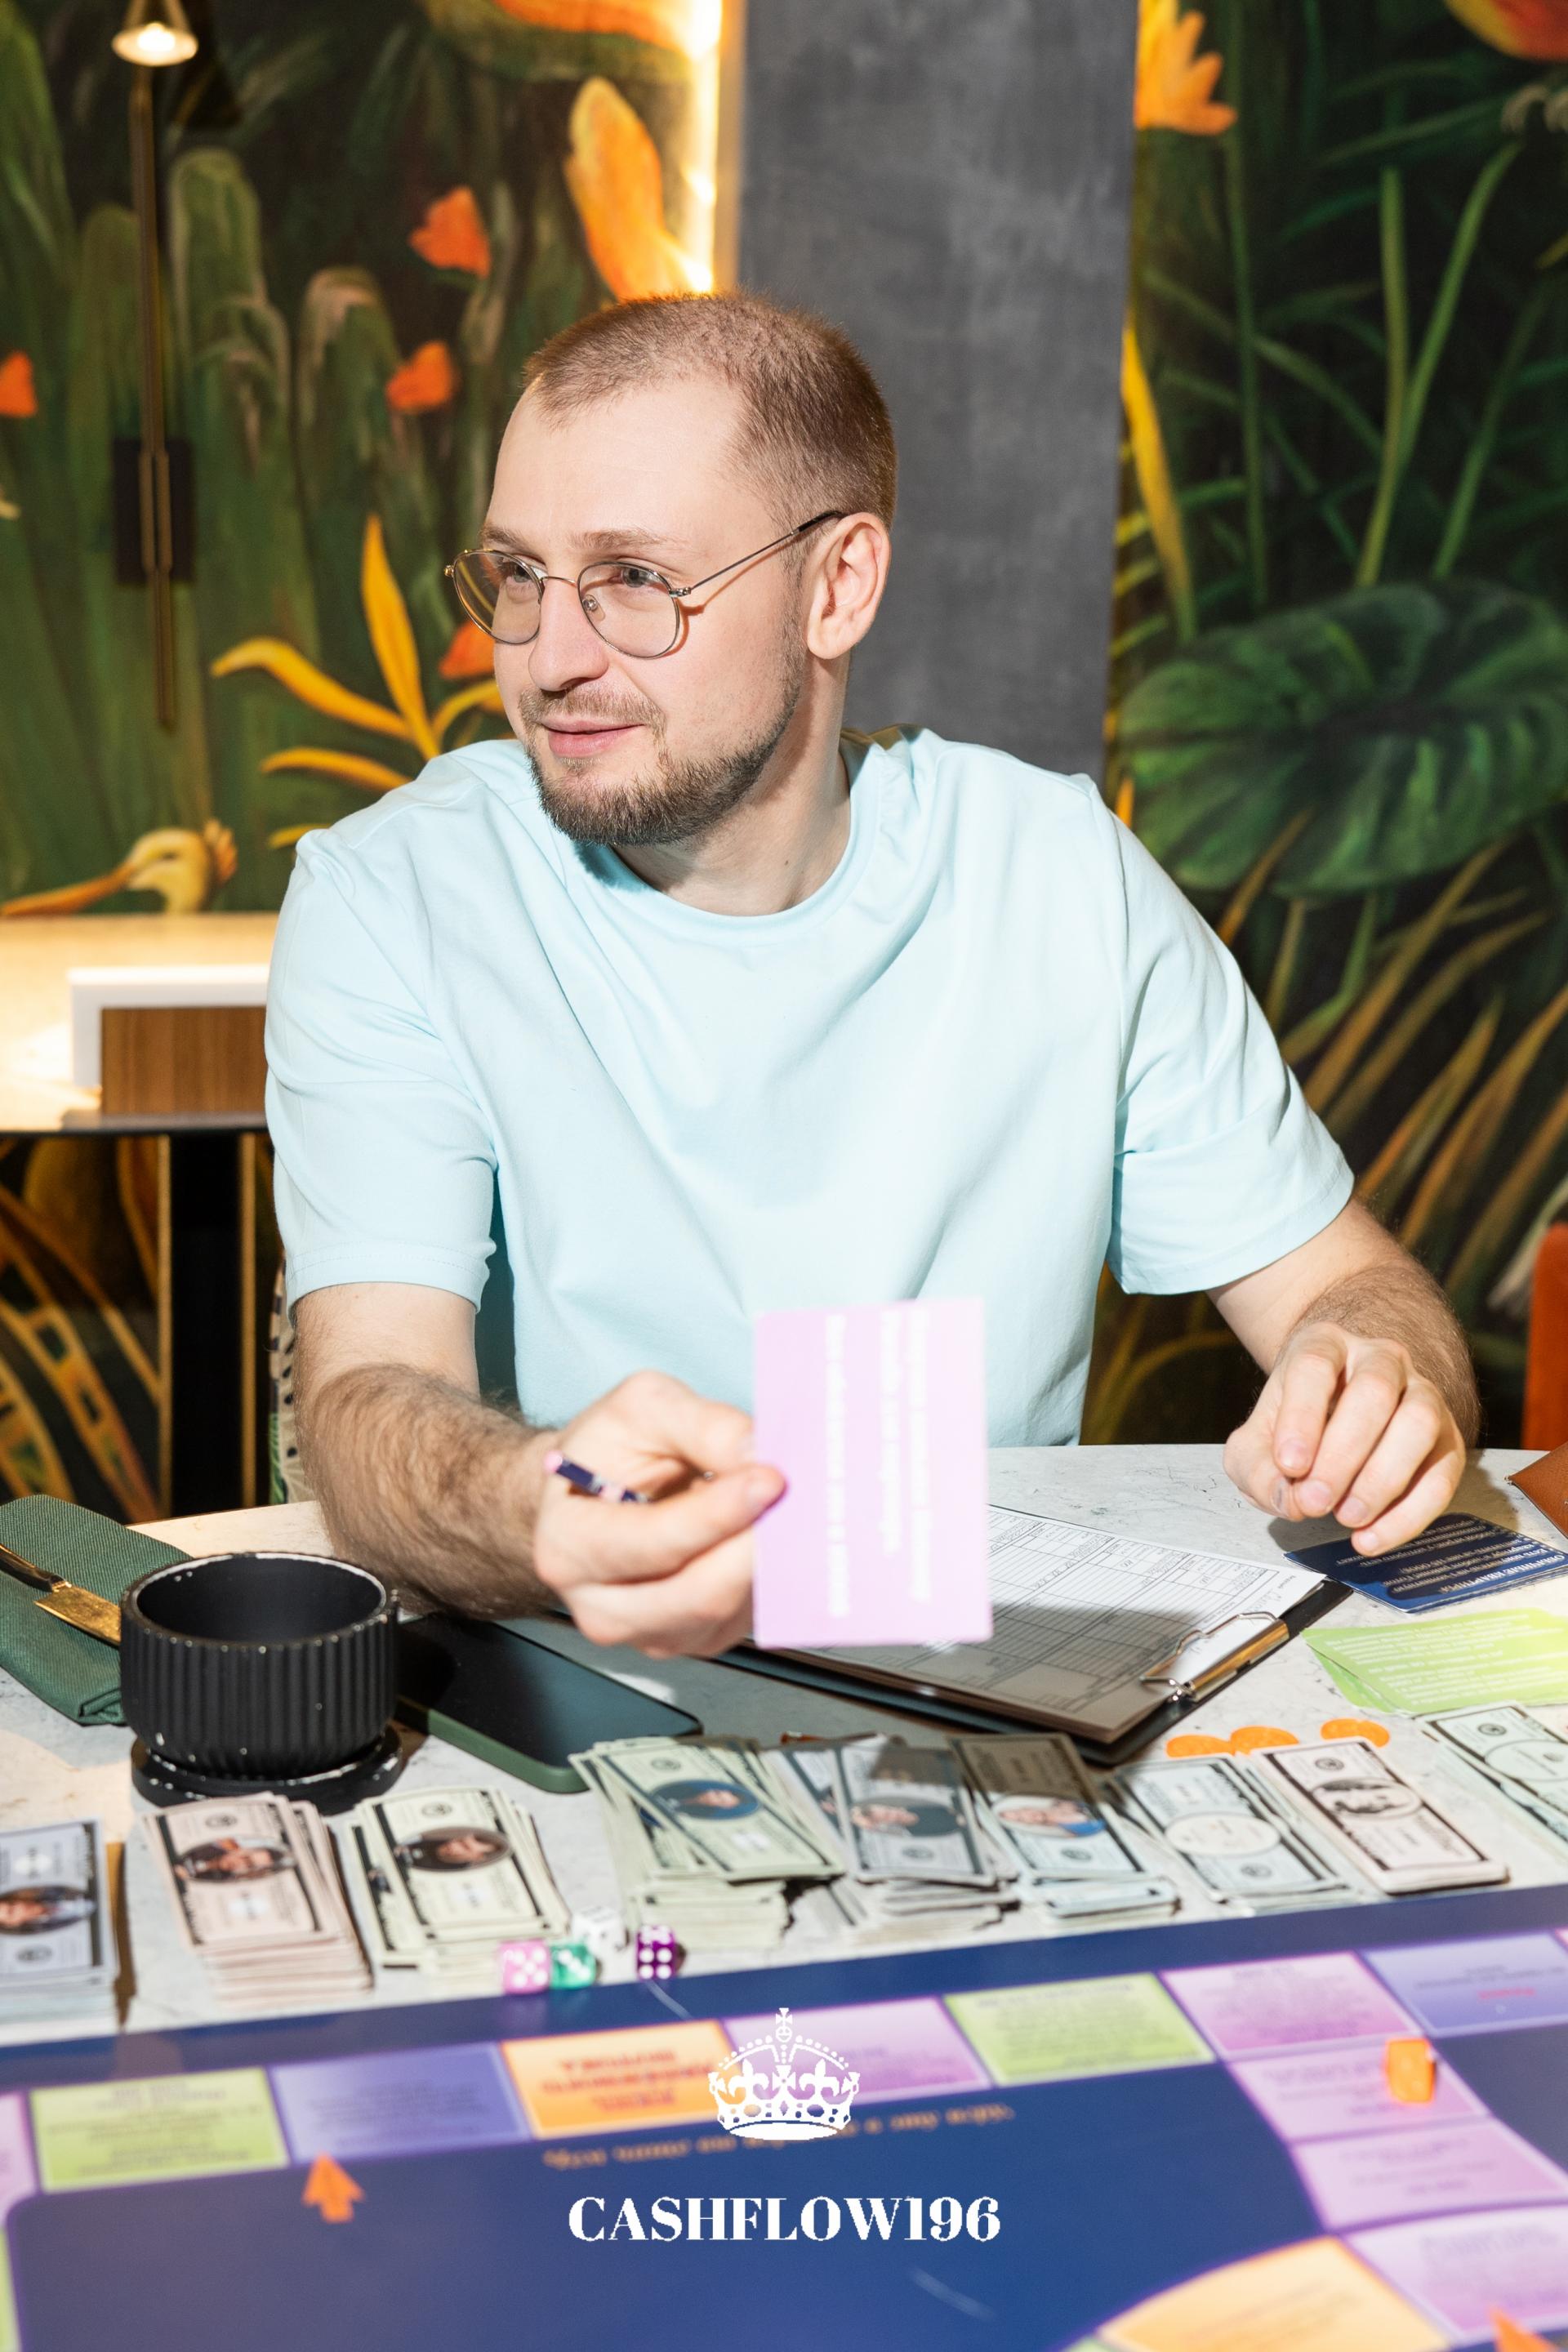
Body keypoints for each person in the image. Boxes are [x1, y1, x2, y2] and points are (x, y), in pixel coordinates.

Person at [267, 290, 1480, 1664]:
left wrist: (1378, 1374)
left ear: (836, 586)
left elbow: (1352, 1287)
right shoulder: (395, 895)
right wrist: (539, 1506)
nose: (551, 657)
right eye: (520, 574)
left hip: (987, 1688)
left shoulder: (1060, 878)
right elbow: (366, 1404)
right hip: (559, 1679)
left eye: (636, 581)